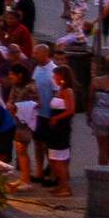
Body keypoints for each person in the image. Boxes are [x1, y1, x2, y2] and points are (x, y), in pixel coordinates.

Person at [42, 64, 77, 197]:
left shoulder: (68, 91)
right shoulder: (59, 90)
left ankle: (65, 187)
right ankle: (61, 185)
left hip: (61, 128)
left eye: (55, 75)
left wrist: (56, 118)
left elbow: (71, 109)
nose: (53, 78)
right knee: (54, 158)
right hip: (54, 128)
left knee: (60, 158)